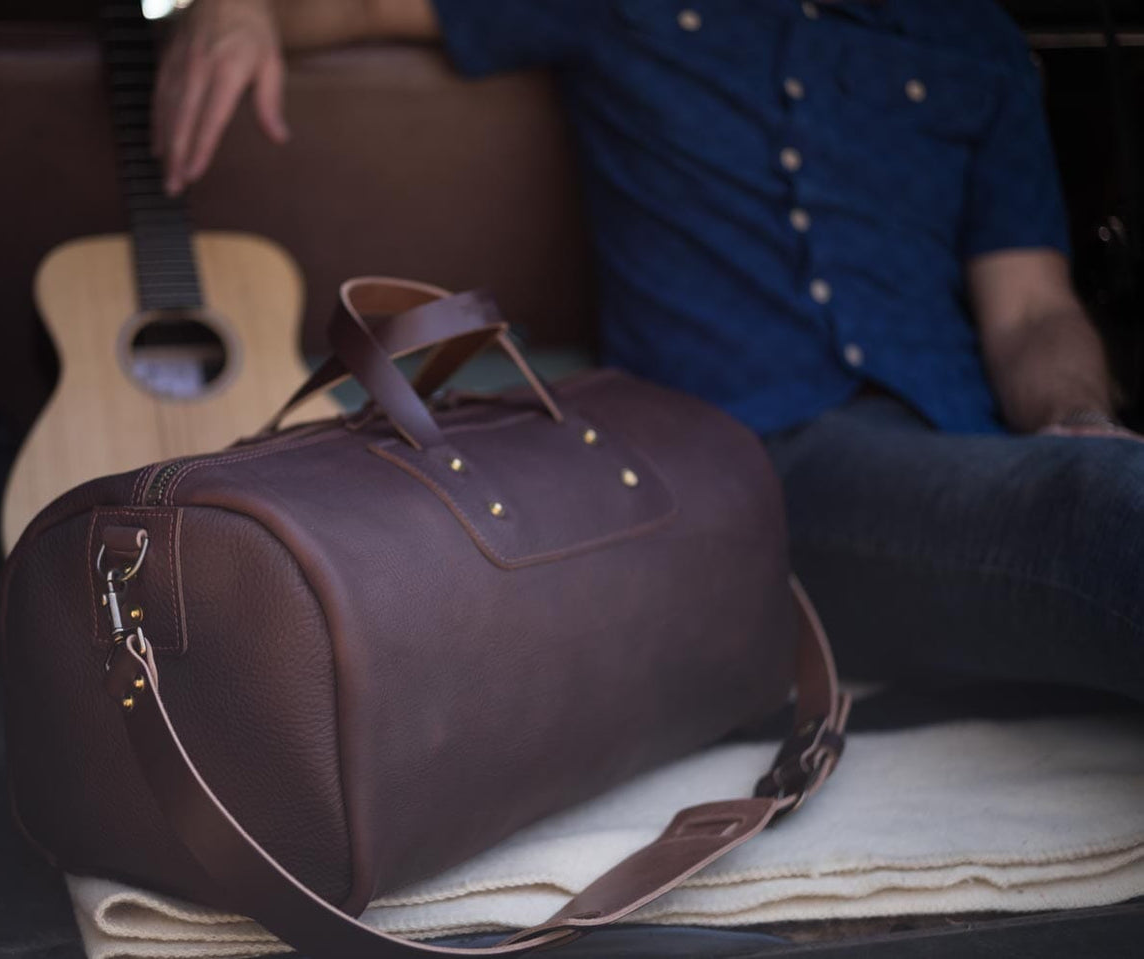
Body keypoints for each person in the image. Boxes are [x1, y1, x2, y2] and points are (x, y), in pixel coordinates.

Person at [151, 0, 1144, 702]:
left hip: (971, 454)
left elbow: (1030, 311)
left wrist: (1080, 420)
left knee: (1093, 486)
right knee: (1094, 508)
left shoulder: (973, 37)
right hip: (750, 465)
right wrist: (239, 6)